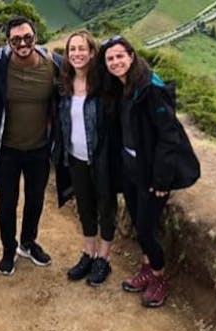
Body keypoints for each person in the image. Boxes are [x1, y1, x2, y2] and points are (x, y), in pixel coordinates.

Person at [100, 35, 200, 308]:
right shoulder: (119, 88)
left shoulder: (151, 88)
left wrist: (162, 179)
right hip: (130, 167)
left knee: (145, 229)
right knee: (137, 219)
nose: (115, 62)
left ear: (132, 56)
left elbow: (169, 136)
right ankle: (147, 268)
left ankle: (159, 277)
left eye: (120, 56)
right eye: (110, 58)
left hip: (151, 172)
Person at [0, 16, 64, 277]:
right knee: (7, 203)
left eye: (27, 37)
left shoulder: (53, 65)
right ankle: (9, 249)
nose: (22, 43)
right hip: (5, 150)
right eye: (16, 39)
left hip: (39, 148)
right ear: (8, 42)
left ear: (35, 37)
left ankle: (28, 243)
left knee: (35, 200)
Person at [57, 30, 119, 287]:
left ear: (93, 52)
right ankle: (88, 251)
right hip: (76, 157)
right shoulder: (64, 86)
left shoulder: (104, 85)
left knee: (106, 205)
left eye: (82, 49)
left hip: (102, 158)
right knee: (85, 206)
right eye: (72, 49)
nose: (77, 54)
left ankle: (103, 257)